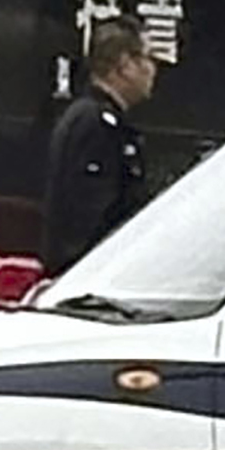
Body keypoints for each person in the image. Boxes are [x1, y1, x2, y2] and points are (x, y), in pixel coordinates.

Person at [40, 19, 159, 274]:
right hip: (88, 279)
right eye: (148, 58)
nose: (153, 69)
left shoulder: (101, 120)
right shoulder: (94, 125)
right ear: (124, 65)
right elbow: (88, 220)